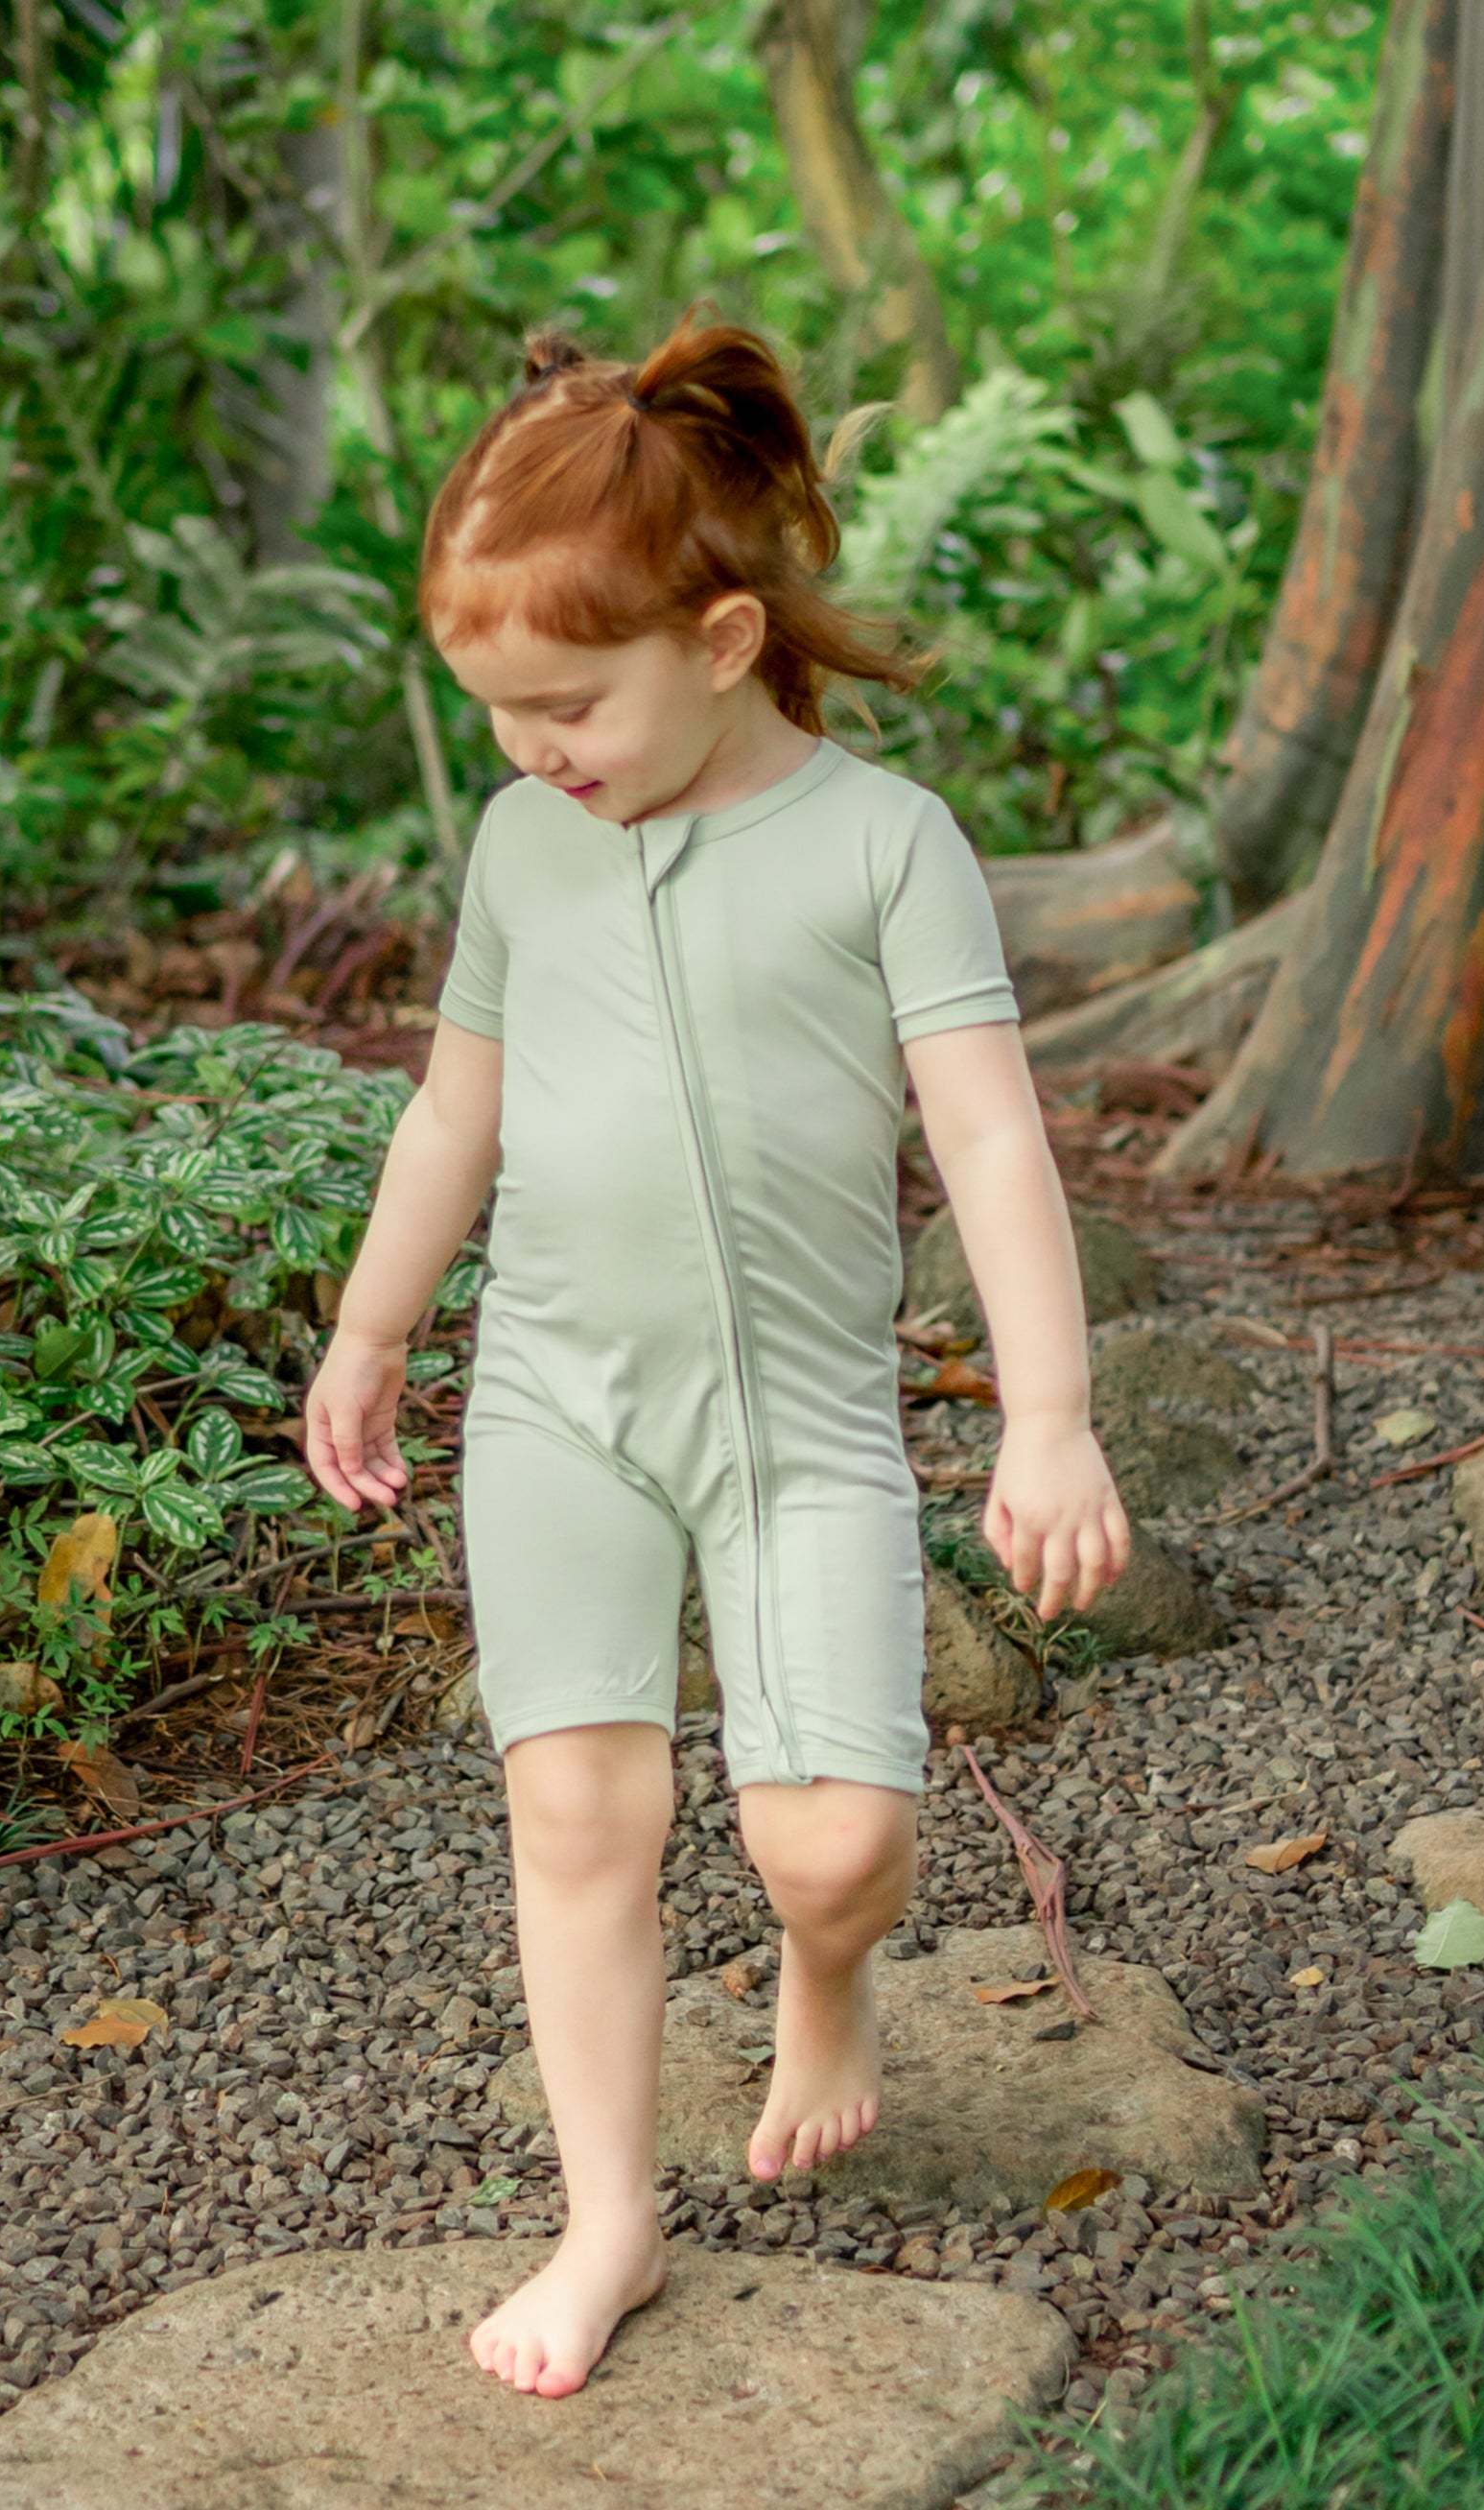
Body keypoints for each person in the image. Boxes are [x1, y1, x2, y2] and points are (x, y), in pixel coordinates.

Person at [301, 315, 1130, 2400]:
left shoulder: (882, 846)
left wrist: (1048, 1417)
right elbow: (453, 1112)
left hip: (805, 1429)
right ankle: (608, 2220)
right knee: (578, 1814)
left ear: (732, 636)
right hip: (560, 1404)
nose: (532, 750)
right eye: (494, 711)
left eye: (567, 702)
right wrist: (374, 1328)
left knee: (828, 1843)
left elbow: (993, 1140)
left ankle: (827, 1987)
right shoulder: (523, 846)